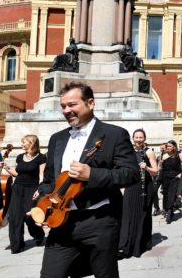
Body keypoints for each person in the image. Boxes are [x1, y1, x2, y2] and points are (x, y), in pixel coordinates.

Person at [35, 81, 140, 278]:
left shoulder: (114, 134)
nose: (67, 110)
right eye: (63, 106)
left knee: (104, 274)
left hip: (99, 220)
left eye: (72, 104)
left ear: (90, 103)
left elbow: (131, 173)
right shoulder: (57, 139)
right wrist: (42, 204)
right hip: (61, 223)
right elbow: (49, 180)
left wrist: (92, 175)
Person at [118, 129, 158, 258]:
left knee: (142, 215)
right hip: (131, 186)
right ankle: (125, 245)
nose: (139, 140)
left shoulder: (149, 152)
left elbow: (155, 171)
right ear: (133, 139)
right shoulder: (129, 152)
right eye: (136, 137)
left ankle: (139, 245)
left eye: (141, 137)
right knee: (127, 215)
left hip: (145, 187)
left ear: (144, 138)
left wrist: (146, 167)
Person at [4, 135, 45, 253]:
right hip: (17, 188)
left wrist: (40, 189)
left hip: (32, 189)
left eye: (24, 142)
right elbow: (17, 173)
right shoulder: (20, 157)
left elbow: (41, 175)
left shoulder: (41, 158)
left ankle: (38, 235)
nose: (22, 144)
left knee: (30, 216)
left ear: (31, 143)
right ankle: (16, 246)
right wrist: (6, 167)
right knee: (15, 217)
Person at [160, 140, 182, 224]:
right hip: (165, 177)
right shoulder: (164, 155)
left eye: (170, 146)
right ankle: (169, 210)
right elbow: (162, 168)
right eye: (167, 146)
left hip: (175, 177)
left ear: (174, 147)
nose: (168, 147)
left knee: (172, 195)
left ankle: (169, 212)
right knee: (166, 194)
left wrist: (181, 174)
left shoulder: (179, 155)